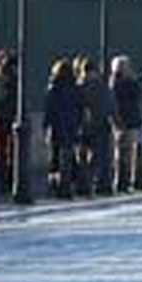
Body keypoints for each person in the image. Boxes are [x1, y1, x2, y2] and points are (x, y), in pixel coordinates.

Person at [43, 58, 84, 198]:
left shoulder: (53, 88)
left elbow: (49, 109)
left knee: (55, 157)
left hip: (56, 126)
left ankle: (55, 184)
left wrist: (46, 125)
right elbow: (80, 108)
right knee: (69, 153)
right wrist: (79, 123)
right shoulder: (75, 88)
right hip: (71, 125)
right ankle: (69, 183)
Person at [76, 56, 114, 196]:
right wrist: (114, 119)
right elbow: (110, 104)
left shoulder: (79, 86)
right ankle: (98, 182)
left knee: (83, 156)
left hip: (83, 126)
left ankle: (84, 183)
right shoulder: (102, 85)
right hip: (100, 124)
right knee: (99, 156)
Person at [109, 56, 142, 193]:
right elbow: (137, 97)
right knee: (127, 154)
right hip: (128, 121)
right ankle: (125, 181)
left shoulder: (113, 82)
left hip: (119, 121)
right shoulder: (129, 82)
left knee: (119, 153)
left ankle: (120, 180)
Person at [0, 50, 18, 195]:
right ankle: (9, 180)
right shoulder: (15, 78)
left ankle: (3, 181)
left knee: (1, 152)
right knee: (12, 151)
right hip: (11, 116)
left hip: (0, 117)